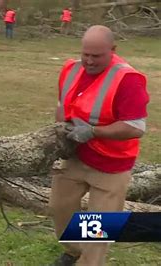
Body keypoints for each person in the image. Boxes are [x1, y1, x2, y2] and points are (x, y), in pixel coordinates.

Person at [50, 25, 149, 266]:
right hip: (74, 156)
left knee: (97, 227)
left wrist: (93, 132)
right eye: (86, 54)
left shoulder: (128, 79)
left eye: (96, 56)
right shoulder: (70, 69)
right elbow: (62, 107)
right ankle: (73, 250)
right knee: (59, 207)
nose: (89, 61)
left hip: (112, 164)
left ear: (113, 50)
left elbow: (136, 127)